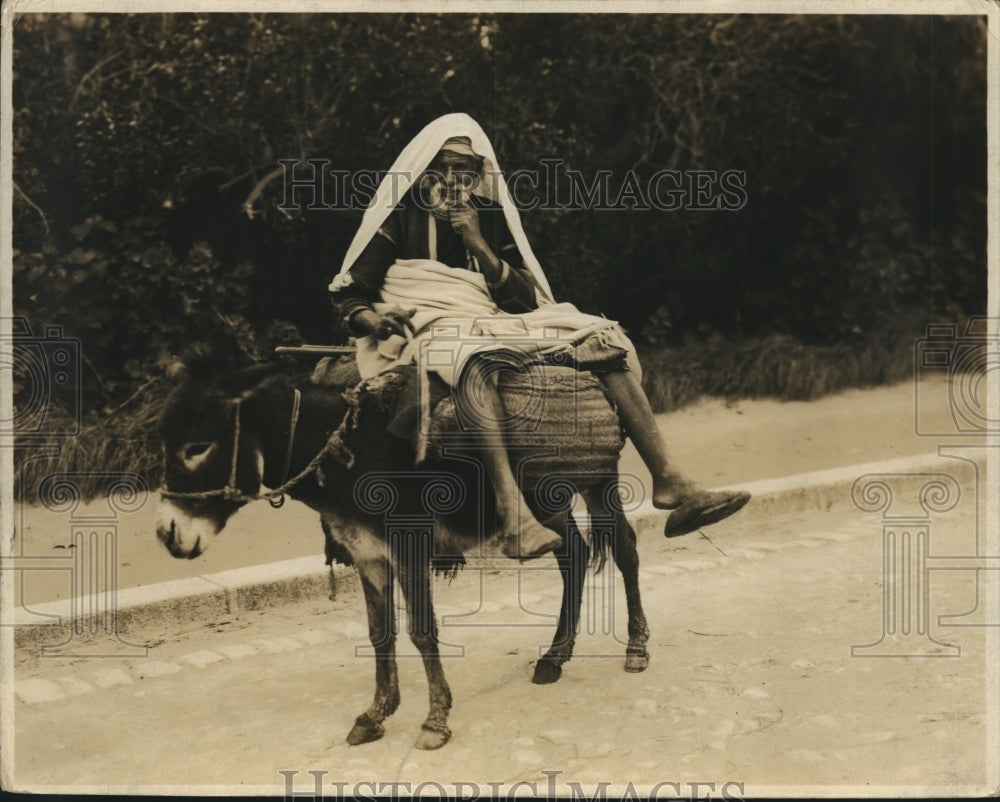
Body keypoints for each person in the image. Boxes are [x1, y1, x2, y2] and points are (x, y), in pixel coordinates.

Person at [330, 113, 749, 560]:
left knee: (602, 337)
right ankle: (514, 517)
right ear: (427, 167)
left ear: (478, 175)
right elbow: (350, 292)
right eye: (445, 166)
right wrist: (373, 321)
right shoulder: (399, 216)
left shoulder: (486, 217)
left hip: (488, 319)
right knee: (472, 361)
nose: (453, 179)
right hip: (430, 325)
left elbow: (527, 301)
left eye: (465, 170)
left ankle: (670, 480)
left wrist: (480, 247)